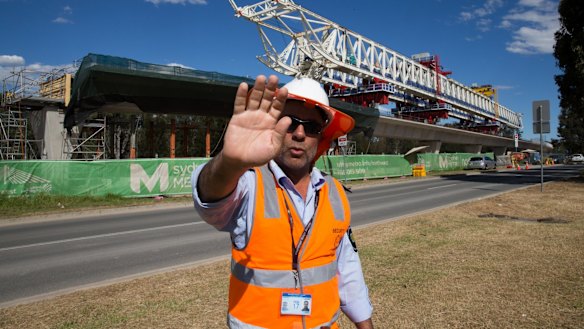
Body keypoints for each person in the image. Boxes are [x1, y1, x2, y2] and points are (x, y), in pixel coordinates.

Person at [191, 74, 374, 329]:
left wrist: (365, 325)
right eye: (289, 122)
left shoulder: (334, 193)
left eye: (311, 127)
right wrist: (229, 163)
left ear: (321, 137)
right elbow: (210, 201)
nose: (299, 133)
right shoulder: (249, 182)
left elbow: (347, 268)